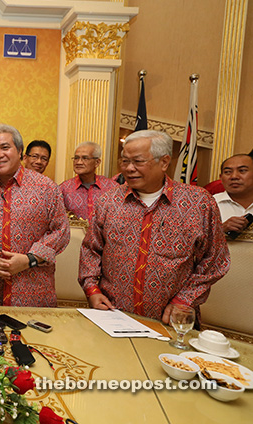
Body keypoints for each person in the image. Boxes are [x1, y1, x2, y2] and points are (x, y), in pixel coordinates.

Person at [79, 130, 230, 323]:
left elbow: (216, 260)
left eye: (138, 161)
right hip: (113, 316)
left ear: (164, 162)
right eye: (124, 161)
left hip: (172, 321)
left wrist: (184, 300)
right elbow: (91, 250)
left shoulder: (198, 203)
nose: (129, 168)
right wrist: (92, 289)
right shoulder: (109, 201)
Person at [0, 124, 70, 307]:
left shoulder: (46, 188)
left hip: (33, 294)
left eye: (5, 147)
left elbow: (61, 230)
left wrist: (29, 259)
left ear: (20, 151)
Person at [59, 142, 118, 220]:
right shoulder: (64, 189)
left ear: (97, 162)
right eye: (76, 158)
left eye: (85, 158)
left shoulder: (112, 188)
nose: (79, 162)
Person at [214, 153, 253, 236]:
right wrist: (221, 229)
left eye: (242, 171)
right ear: (221, 178)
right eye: (227, 172)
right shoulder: (209, 204)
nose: (234, 176)